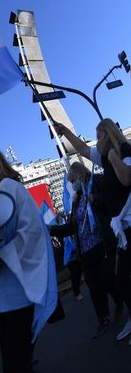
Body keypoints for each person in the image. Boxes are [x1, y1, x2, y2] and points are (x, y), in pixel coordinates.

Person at [0, 143, 57, 373]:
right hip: (9, 294)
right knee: (17, 361)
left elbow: (32, 234)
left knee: (16, 363)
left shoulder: (8, 188)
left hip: (18, 296)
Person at [55, 119, 131, 340]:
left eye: (98, 137)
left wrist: (114, 157)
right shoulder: (103, 158)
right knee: (121, 278)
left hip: (127, 223)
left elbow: (127, 178)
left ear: (108, 134)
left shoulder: (123, 151)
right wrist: (65, 131)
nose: (96, 143)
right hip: (122, 228)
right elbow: (82, 149)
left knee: (121, 278)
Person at [50, 161, 123, 338]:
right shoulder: (76, 200)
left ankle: (120, 299)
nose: (72, 184)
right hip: (86, 252)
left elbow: (110, 203)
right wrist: (51, 229)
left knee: (107, 280)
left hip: (102, 245)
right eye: (69, 181)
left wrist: (95, 199)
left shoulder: (95, 183)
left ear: (79, 174)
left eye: (72, 180)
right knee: (94, 288)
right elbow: (71, 227)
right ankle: (103, 318)